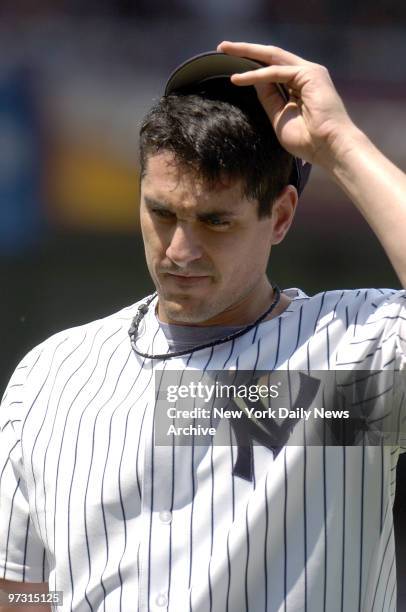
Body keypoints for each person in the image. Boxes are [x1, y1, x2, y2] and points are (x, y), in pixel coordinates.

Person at [0, 40, 405, 612]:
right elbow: (20, 592)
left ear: (281, 217)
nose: (180, 250)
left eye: (215, 221)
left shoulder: (348, 358)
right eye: (162, 214)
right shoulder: (51, 373)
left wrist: (342, 145)